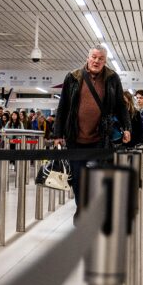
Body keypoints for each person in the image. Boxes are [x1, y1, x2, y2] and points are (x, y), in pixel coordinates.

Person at [53, 46, 130, 205]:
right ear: (87, 58)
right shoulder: (73, 77)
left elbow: (120, 106)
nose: (96, 61)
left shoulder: (112, 78)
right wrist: (58, 134)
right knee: (78, 179)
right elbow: (63, 106)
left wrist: (127, 128)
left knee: (97, 179)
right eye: (94, 57)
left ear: (105, 61)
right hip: (75, 138)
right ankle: (82, 211)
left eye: (100, 58)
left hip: (100, 139)